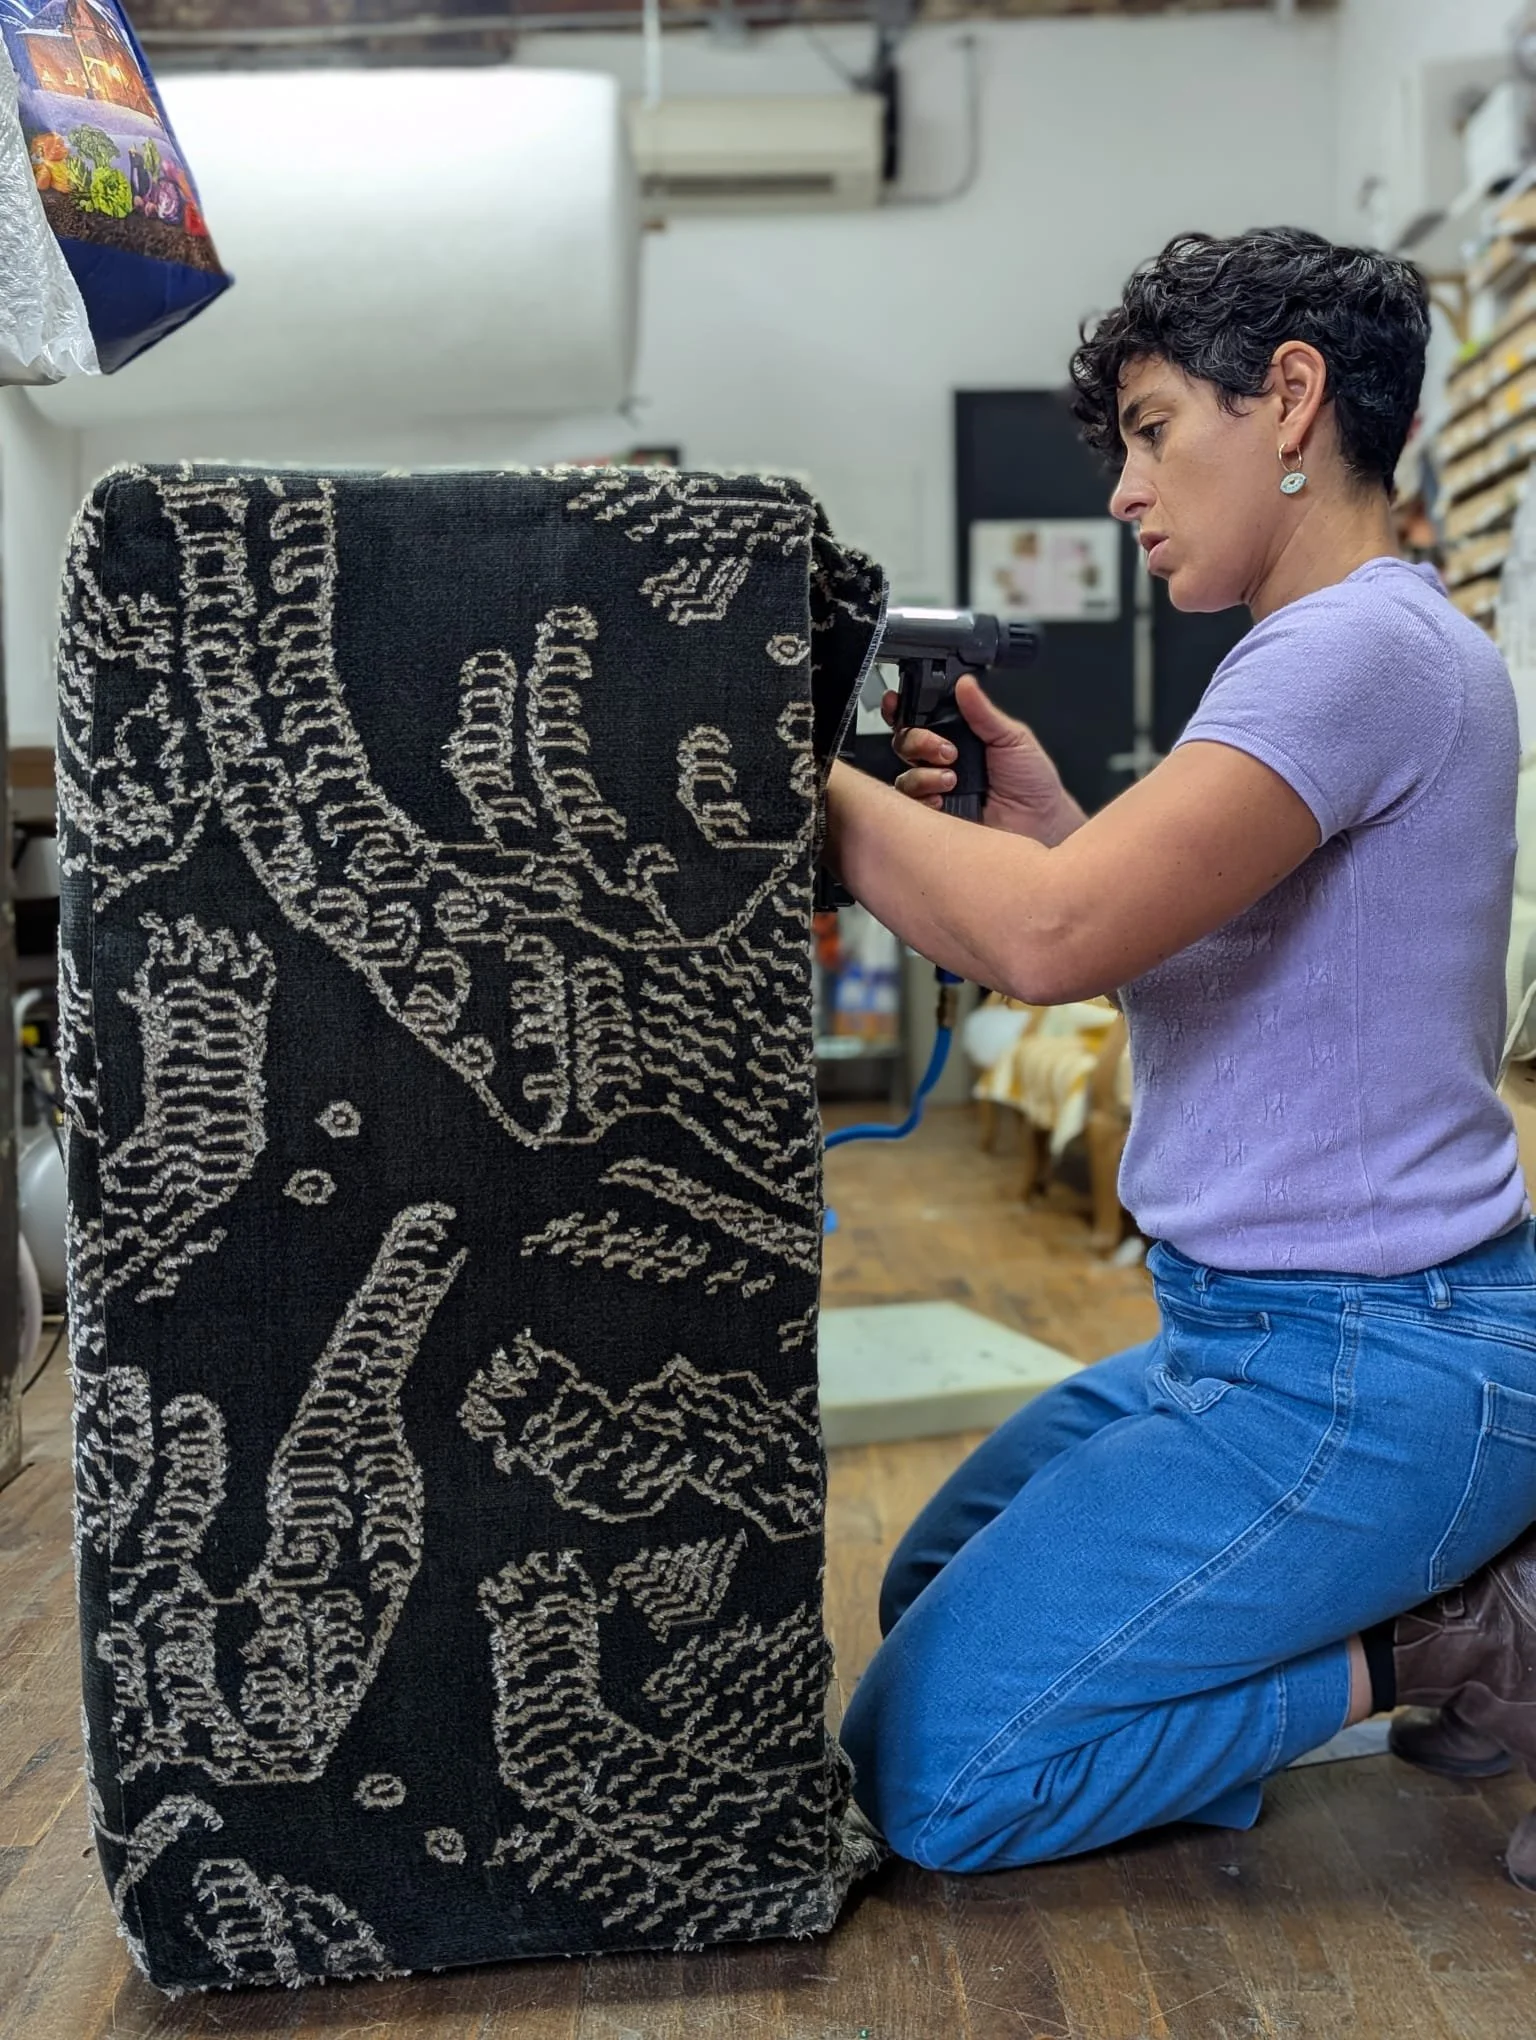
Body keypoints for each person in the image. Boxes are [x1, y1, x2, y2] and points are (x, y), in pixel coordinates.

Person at [826, 226, 1536, 1883]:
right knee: (933, 1585)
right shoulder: (1343, 651)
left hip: (1371, 1357)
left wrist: (790, 775)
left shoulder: (1353, 648)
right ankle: (1414, 1591)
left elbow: (1051, 939)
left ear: (1289, 400)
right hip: (1269, 1334)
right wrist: (1060, 838)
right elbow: (1168, 952)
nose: (1128, 492)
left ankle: (1458, 1641)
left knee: (940, 1771)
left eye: (1152, 430)